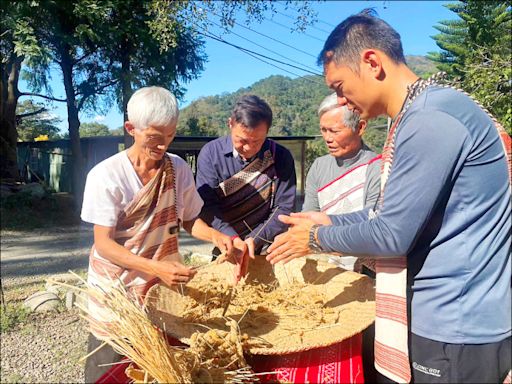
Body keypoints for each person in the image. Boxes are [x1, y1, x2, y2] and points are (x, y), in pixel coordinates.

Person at [267, 10, 511, 384]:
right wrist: (329, 220)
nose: (342, 101)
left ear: (371, 62)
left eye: (339, 86)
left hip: (456, 326)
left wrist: (315, 239)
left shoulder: (429, 120)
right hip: (451, 322)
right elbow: (386, 212)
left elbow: (392, 234)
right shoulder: (422, 112)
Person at [80, 86, 243, 383]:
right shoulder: (106, 176)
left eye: (169, 136)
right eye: (154, 137)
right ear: (131, 128)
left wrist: (216, 237)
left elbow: (190, 219)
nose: (162, 145)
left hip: (160, 289)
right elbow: (103, 244)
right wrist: (155, 268)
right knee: (108, 368)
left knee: (161, 367)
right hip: (117, 292)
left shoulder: (177, 168)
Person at [196, 94, 296, 257]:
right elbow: (207, 206)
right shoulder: (211, 154)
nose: (249, 148)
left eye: (257, 141)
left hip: (267, 246)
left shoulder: (280, 156)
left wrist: (255, 238)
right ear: (230, 124)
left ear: (267, 132)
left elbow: (284, 207)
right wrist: (232, 237)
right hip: (226, 244)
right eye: (242, 140)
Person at [303, 93, 381, 271]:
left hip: (364, 269)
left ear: (360, 128)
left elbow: (371, 221)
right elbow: (309, 214)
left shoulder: (377, 167)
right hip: (325, 266)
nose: (328, 138)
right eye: (323, 130)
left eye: (335, 131)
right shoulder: (318, 166)